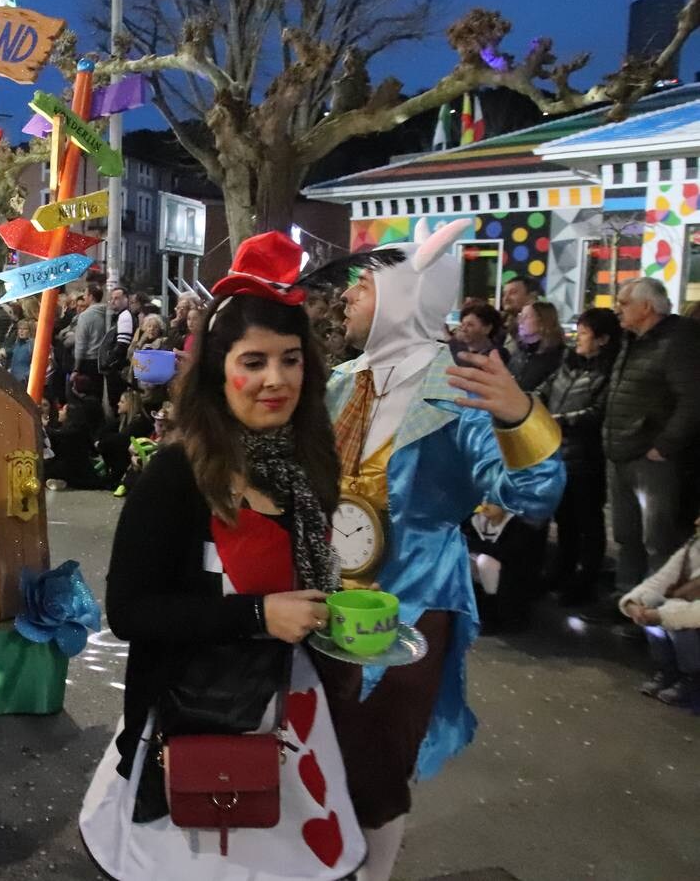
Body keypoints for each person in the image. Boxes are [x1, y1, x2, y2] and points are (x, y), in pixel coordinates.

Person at [80, 230, 365, 879]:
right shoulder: (177, 475)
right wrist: (257, 616)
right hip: (196, 723)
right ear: (218, 369)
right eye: (255, 361)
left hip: (290, 719)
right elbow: (129, 611)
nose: (275, 380)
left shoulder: (307, 466)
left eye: (290, 360)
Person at [320, 219, 564, 880]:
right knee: (320, 748)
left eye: (361, 286)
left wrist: (519, 416)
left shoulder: (458, 390)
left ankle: (375, 872)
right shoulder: (343, 383)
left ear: (404, 297)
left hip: (414, 602)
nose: (346, 297)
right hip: (323, 597)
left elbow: (534, 492)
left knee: (377, 764)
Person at [600, 277, 700, 606]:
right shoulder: (633, 340)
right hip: (623, 453)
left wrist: (665, 445)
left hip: (652, 459)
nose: (618, 309)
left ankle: (654, 610)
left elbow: (692, 399)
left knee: (657, 538)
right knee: (627, 534)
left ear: (646, 307)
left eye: (624, 302)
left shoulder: (677, 341)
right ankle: (626, 599)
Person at [535, 307, 620, 607]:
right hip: (558, 453)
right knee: (565, 520)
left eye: (584, 333)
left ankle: (585, 581)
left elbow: (598, 412)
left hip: (586, 456)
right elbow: (544, 389)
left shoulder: (609, 371)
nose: (578, 338)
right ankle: (561, 572)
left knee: (587, 521)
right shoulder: (569, 363)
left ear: (603, 339)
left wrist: (560, 420)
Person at [619, 521, 700, 707]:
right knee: (651, 604)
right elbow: (660, 580)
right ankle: (670, 669)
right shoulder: (694, 547)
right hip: (682, 608)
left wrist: (661, 615)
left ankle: (693, 676)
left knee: (681, 624)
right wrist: (634, 602)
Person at [506, 301, 563, 391]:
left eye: (527, 316)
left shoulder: (556, 356)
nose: (520, 321)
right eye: (521, 315)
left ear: (543, 321)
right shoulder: (519, 351)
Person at [101, 286, 136, 411]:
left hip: (117, 370)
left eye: (117, 298)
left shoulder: (125, 316)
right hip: (116, 368)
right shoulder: (120, 316)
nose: (113, 301)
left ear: (126, 299)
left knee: (116, 403)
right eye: (112, 298)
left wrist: (109, 362)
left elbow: (122, 344)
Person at [73, 283, 107, 380]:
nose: (83, 297)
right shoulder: (107, 313)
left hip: (88, 361)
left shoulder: (85, 316)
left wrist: (76, 368)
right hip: (102, 360)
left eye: (85, 294)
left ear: (91, 297)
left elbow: (81, 343)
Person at [8, 318, 35, 384]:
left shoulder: (32, 345)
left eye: (25, 329)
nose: (21, 331)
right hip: (13, 379)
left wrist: (25, 377)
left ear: (30, 331)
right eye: (20, 329)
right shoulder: (16, 343)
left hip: (24, 381)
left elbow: (35, 365)